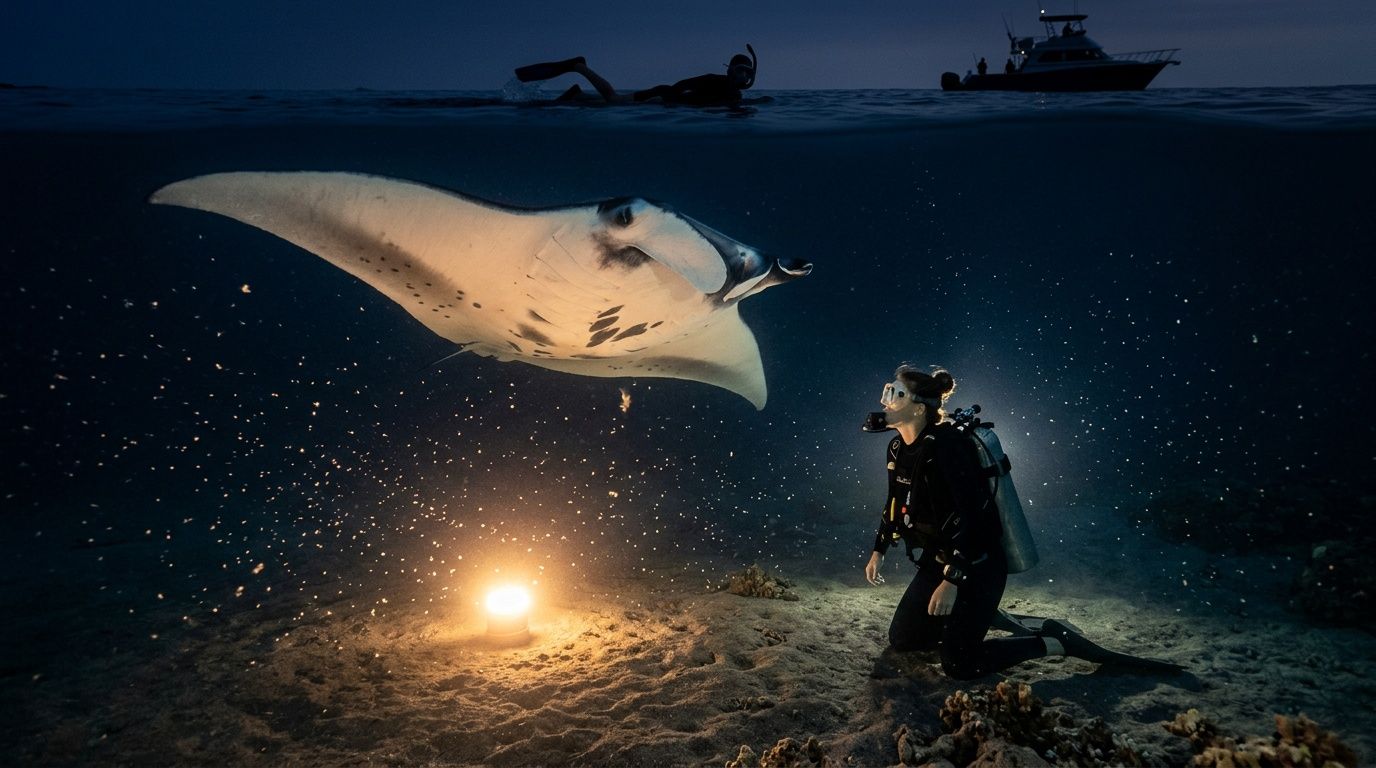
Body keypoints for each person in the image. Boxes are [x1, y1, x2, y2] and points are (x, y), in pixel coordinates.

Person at [865, 364, 1180, 680]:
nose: (886, 400)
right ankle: (978, 616)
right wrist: (879, 551)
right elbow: (893, 503)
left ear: (919, 408)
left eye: (897, 394)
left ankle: (1053, 642)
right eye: (888, 391)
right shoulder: (897, 448)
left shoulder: (947, 448)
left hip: (977, 565)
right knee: (904, 639)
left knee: (960, 664)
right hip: (939, 560)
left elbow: (976, 518)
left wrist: (952, 581)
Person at [514, 46, 757, 106]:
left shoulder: (733, 95)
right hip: (660, 97)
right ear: (729, 70)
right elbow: (684, 84)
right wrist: (667, 99)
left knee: (608, 105)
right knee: (612, 100)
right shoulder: (717, 81)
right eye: (738, 71)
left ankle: (577, 97)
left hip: (662, 100)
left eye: (747, 73)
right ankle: (580, 67)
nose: (742, 76)